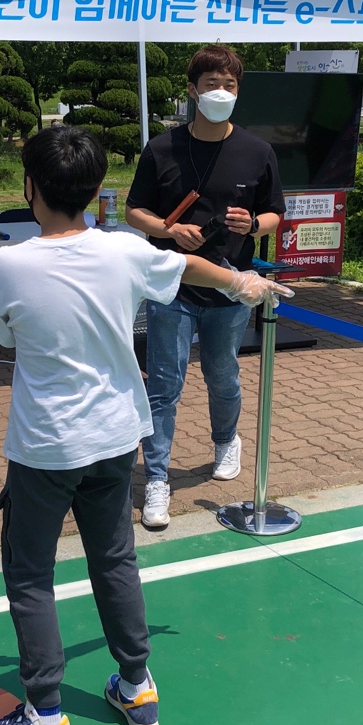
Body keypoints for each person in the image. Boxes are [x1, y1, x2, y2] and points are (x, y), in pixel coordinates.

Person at [0, 126, 290, 725]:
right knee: (114, 559)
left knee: (30, 576)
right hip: (115, 436)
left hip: (45, 445)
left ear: (30, 187)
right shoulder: (124, 250)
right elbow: (187, 266)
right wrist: (243, 284)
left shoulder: (7, 263)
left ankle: (44, 719)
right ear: (96, 192)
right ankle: (137, 686)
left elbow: (6, 338)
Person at [124, 45, 286, 529]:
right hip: (171, 286)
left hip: (231, 287)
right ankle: (157, 479)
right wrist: (169, 230)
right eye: (212, 84)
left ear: (239, 91)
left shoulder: (257, 151)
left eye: (229, 85)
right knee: (164, 386)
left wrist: (252, 224)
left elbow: (275, 214)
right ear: (193, 91)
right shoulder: (162, 149)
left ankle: (225, 440)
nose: (221, 92)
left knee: (222, 375)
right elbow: (134, 211)